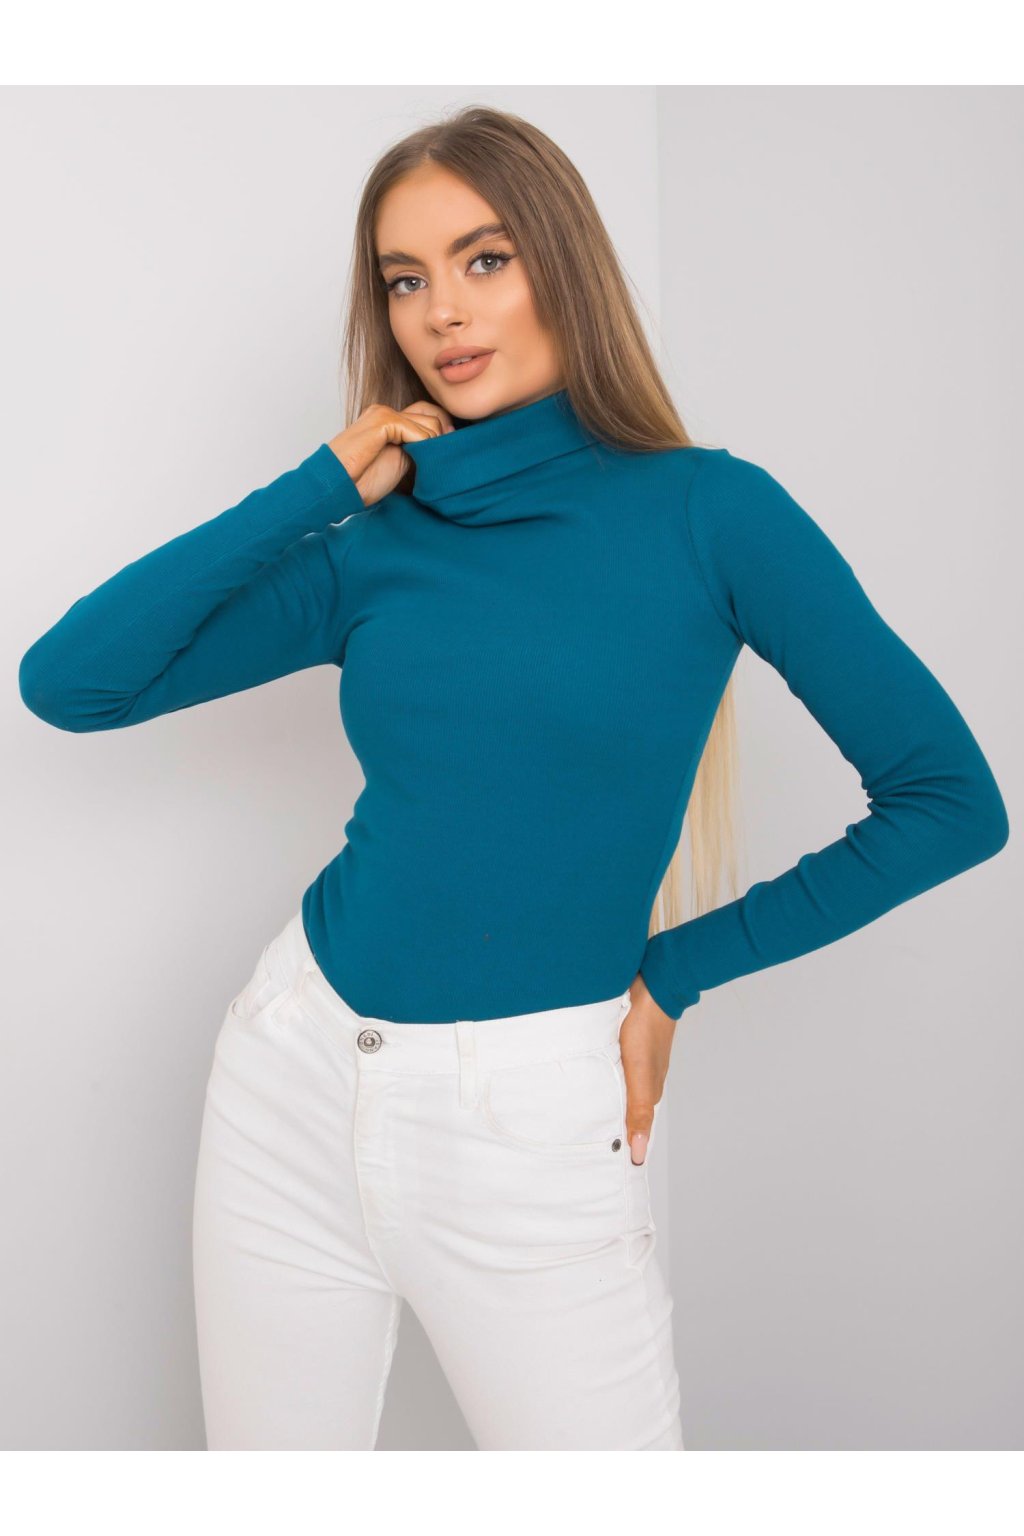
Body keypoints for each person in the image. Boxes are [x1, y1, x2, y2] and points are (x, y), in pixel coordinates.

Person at [18, 106, 1009, 1452]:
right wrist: (315, 487)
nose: (442, 310)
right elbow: (72, 683)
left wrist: (676, 969)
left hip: (534, 1116)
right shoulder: (375, 542)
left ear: (562, 266)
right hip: (293, 1071)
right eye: (404, 278)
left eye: (484, 259)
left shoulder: (712, 513)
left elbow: (950, 802)